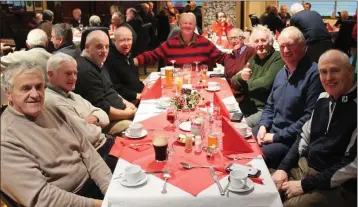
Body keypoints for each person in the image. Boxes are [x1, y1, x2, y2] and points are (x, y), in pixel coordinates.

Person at [1, 62, 111, 207]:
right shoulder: (6, 139)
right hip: (68, 201)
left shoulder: (52, 109)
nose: (35, 94)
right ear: (8, 92)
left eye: (39, 87)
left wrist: (111, 189)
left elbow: (87, 151)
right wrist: (102, 204)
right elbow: (42, 198)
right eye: (26, 88)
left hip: (94, 186)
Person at [272, 49, 357, 207]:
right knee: (264, 185)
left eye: (335, 71)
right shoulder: (322, 99)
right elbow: (303, 138)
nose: (328, 78)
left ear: (350, 71)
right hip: (306, 170)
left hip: (339, 185)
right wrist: (283, 168)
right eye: (323, 72)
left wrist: (303, 185)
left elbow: (352, 165)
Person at [254, 26, 324, 169]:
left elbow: (308, 119)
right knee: (242, 138)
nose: (285, 51)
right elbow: (269, 105)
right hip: (271, 130)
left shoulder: (314, 75)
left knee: (254, 158)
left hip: (289, 141)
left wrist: (274, 137)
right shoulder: (282, 71)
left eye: (291, 45)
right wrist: (263, 126)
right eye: (282, 46)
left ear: (303, 46)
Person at [45, 52, 118, 172]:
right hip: (97, 154)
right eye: (68, 73)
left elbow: (104, 116)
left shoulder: (72, 94)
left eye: (75, 73)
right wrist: (95, 122)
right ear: (51, 74)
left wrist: (94, 119)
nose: (73, 78)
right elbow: (87, 136)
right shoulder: (52, 101)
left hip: (105, 142)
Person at [74, 30, 135, 135]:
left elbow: (111, 89)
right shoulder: (85, 71)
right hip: (106, 123)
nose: (104, 51)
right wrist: (127, 114)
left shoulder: (98, 62)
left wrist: (126, 102)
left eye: (107, 47)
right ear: (87, 47)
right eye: (99, 46)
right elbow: (103, 110)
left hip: (119, 112)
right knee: (136, 127)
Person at [231, 25, 284, 127]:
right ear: (252, 45)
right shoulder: (253, 59)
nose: (260, 44)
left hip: (264, 110)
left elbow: (266, 83)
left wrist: (246, 80)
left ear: (270, 42)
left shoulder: (278, 58)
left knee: (238, 128)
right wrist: (241, 77)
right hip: (247, 106)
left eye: (263, 40)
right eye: (256, 41)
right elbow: (234, 80)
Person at [134, 12, 225, 70]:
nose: (187, 26)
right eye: (185, 23)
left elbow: (222, 57)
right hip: (176, 84)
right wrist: (134, 61)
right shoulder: (171, 43)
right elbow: (153, 55)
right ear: (179, 25)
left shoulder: (204, 43)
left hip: (199, 84)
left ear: (195, 26)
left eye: (190, 23)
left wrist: (238, 59)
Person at [104, 26, 144, 102]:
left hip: (137, 96)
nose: (126, 43)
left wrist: (144, 88)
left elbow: (134, 79)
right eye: (122, 40)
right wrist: (136, 95)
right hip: (125, 102)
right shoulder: (109, 59)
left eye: (129, 40)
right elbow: (114, 87)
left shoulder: (127, 53)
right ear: (114, 41)